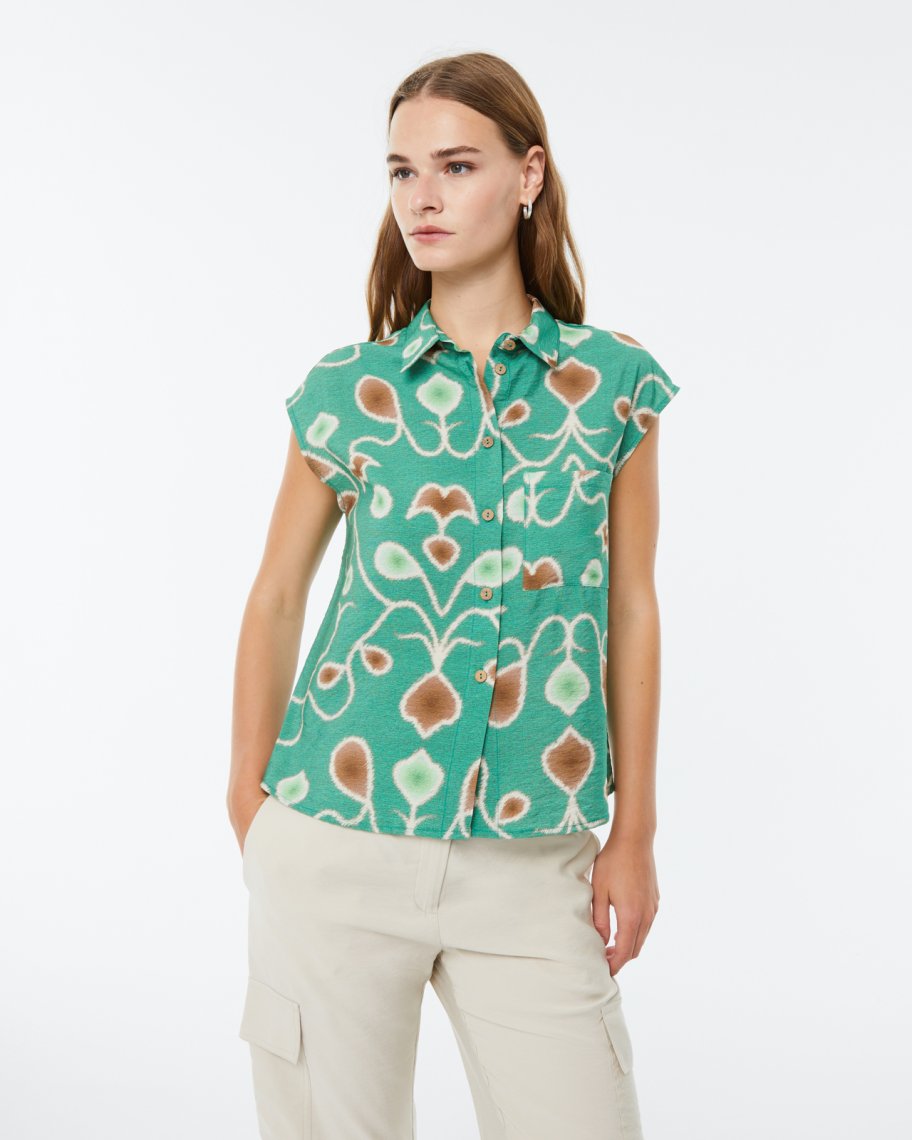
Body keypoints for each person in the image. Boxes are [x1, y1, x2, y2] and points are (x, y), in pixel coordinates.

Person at [226, 50, 680, 1140]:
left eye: (456, 165)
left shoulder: (612, 385)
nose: (421, 197)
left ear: (529, 175)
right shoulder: (349, 390)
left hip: (531, 860)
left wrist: (635, 832)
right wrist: (251, 806)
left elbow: (631, 609)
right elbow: (277, 596)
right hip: (334, 835)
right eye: (402, 171)